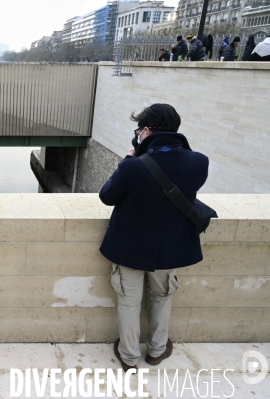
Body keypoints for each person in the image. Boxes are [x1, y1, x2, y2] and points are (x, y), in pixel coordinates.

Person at [99, 104, 209, 371]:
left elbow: (106, 197)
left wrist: (128, 159)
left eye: (139, 130)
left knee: (129, 300)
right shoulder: (199, 162)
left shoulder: (132, 168)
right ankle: (157, 351)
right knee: (162, 297)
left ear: (146, 130)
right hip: (170, 248)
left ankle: (128, 356)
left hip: (130, 249)